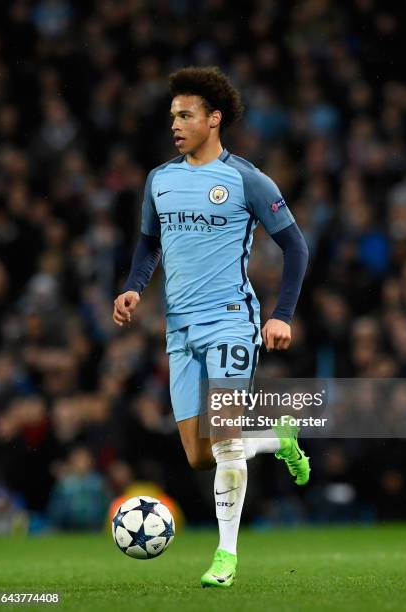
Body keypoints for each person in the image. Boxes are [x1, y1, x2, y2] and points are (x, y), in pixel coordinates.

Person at [113, 66, 310, 588]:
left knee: (223, 439)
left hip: (230, 321)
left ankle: (226, 556)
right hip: (178, 330)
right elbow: (148, 243)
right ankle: (277, 435)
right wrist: (134, 285)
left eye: (186, 115)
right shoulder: (160, 180)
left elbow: (295, 245)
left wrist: (281, 315)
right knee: (200, 455)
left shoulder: (245, 178)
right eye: (173, 115)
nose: (175, 124)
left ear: (214, 119)